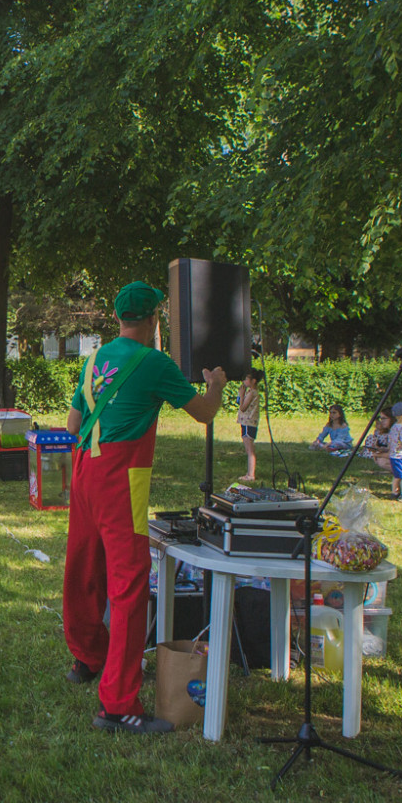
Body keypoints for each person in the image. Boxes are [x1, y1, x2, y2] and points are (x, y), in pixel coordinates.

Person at [64, 281, 230, 735]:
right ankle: (118, 705)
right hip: (121, 479)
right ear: (156, 319)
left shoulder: (96, 358)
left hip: (84, 468)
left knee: (84, 568)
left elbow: (74, 421)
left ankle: (86, 657)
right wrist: (215, 384)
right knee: (130, 586)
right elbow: (204, 412)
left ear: (118, 318)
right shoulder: (155, 362)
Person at [236, 366, 264, 481]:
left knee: (250, 449)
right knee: (248, 449)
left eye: (247, 379)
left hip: (249, 422)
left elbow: (243, 407)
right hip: (246, 422)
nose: (244, 381)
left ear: (253, 381)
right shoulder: (250, 392)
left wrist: (242, 395)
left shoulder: (252, 393)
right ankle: (249, 473)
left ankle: (251, 474)